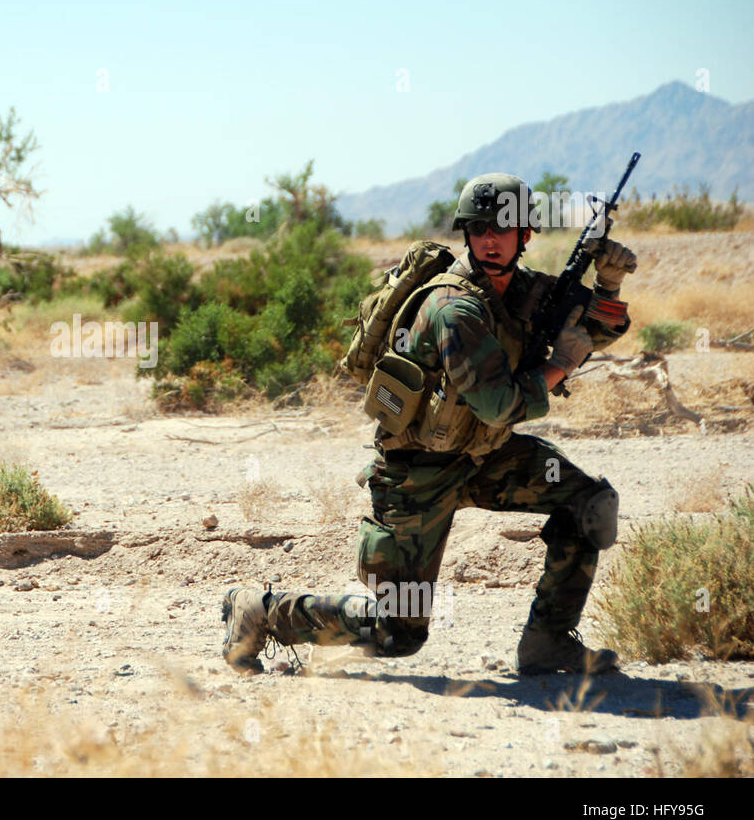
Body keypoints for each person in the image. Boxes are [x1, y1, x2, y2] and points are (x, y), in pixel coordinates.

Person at [221, 173, 637, 676]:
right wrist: (559, 367)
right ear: (466, 233)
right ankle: (263, 611)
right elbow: (498, 405)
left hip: (485, 457)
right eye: (479, 227)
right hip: (415, 474)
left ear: (525, 234)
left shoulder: (522, 290)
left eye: (502, 228)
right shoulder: (453, 306)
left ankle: (548, 642)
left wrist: (608, 283)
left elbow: (589, 330)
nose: (489, 238)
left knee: (589, 503)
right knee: (396, 635)